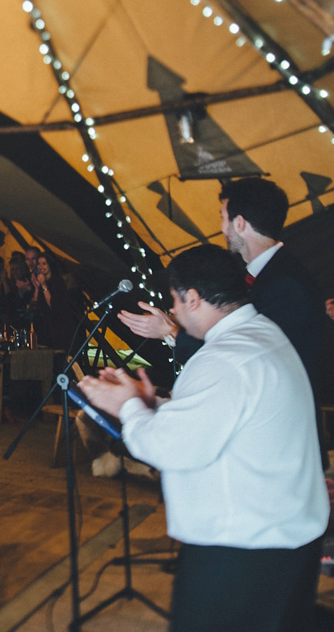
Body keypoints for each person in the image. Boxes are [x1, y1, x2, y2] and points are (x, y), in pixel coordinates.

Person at [80, 244, 327, 632]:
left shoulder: (224, 358)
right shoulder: (261, 333)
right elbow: (219, 419)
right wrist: (154, 404)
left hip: (244, 551)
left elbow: (166, 448)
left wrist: (129, 407)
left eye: (175, 302)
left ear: (192, 298)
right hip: (286, 536)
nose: (173, 312)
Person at [118, 177, 328, 467]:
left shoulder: (285, 285)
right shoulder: (267, 274)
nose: (222, 229)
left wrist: (172, 332)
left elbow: (247, 357)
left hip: (280, 442)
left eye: (224, 219)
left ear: (240, 223)